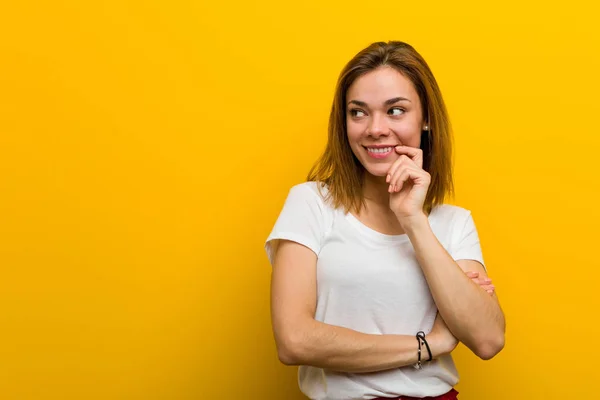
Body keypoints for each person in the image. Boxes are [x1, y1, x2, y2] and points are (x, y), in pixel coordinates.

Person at [265, 41, 506, 400]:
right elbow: (294, 341)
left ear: (425, 119)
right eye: (358, 112)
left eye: (395, 111)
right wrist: (431, 343)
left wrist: (413, 220)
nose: (375, 128)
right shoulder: (311, 204)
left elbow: (488, 339)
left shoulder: (453, 224)